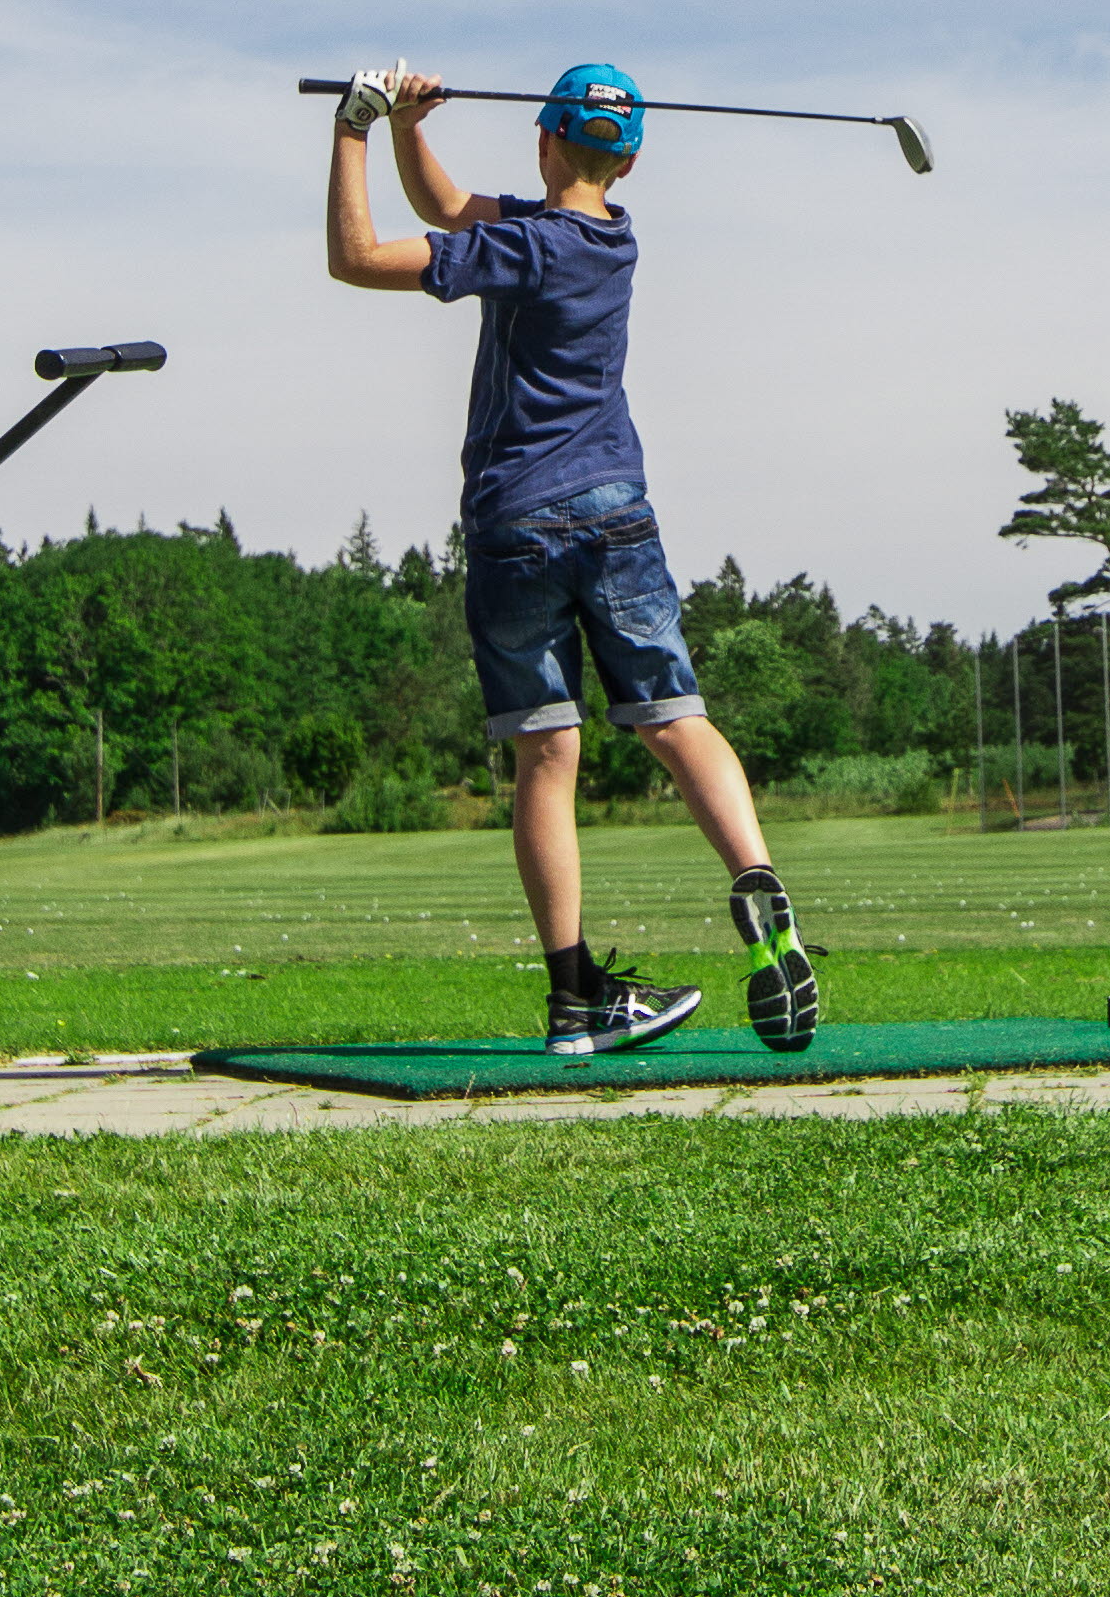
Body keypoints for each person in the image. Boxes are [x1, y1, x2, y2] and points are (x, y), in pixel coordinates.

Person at [324, 63, 818, 1057]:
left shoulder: (522, 247)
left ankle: (572, 999)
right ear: (624, 162)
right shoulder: (611, 239)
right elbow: (452, 210)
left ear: (543, 139)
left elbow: (357, 257)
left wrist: (353, 128)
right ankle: (755, 875)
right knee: (675, 717)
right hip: (617, 512)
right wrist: (412, 129)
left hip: (517, 523)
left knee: (546, 754)